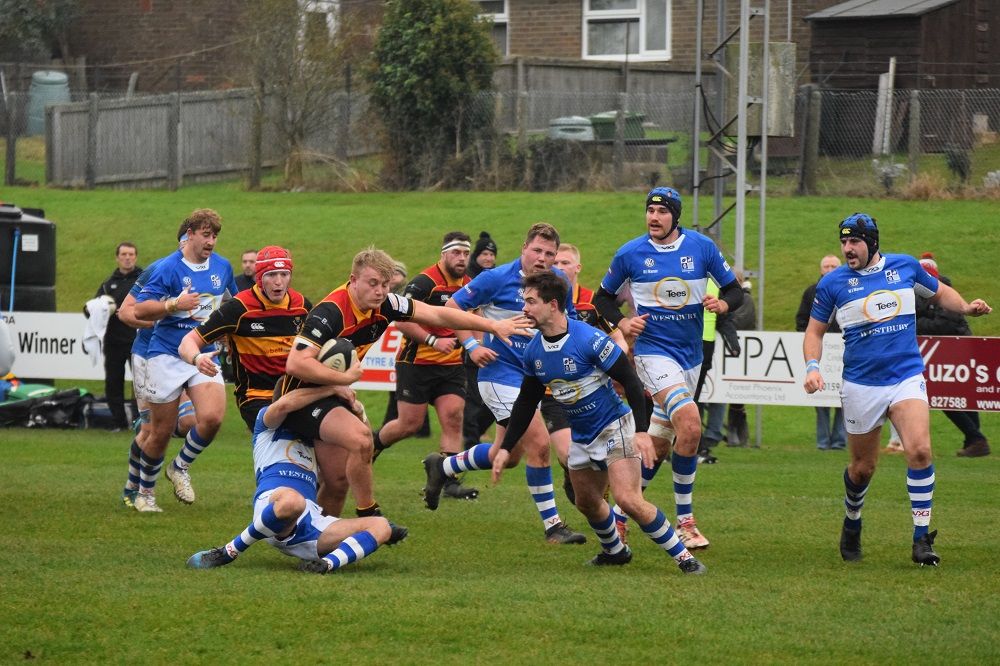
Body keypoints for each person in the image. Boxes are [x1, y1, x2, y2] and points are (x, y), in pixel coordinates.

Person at [278, 246, 531, 528]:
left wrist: (491, 327)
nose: (380, 291)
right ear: (353, 279)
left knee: (337, 481)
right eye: (373, 283)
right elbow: (296, 364)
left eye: (385, 285)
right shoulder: (330, 312)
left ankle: (314, 539)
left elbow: (438, 316)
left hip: (328, 393)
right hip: (297, 397)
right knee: (362, 439)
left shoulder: (386, 303)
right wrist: (345, 380)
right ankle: (369, 517)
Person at [484, 271, 706, 574]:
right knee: (585, 501)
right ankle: (615, 552)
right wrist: (505, 448)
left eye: (530, 302)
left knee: (628, 500)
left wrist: (641, 432)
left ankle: (685, 559)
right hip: (582, 435)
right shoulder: (535, 350)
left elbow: (630, 380)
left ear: (552, 305)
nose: (524, 308)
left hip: (615, 426)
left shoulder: (588, 339)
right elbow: (525, 402)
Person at [803, 212, 991, 566]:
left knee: (919, 451)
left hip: (906, 375)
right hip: (861, 383)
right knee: (863, 468)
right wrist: (813, 367)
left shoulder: (904, 267)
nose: (847, 249)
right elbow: (814, 332)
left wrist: (966, 306)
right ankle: (853, 521)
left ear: (872, 242)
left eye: (854, 241)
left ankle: (921, 539)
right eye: (843, 242)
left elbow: (940, 293)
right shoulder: (833, 284)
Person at [592, 187, 743, 551]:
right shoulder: (630, 253)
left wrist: (723, 305)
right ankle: (686, 522)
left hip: (691, 356)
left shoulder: (701, 248)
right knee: (690, 424)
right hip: (653, 354)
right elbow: (601, 299)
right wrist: (622, 324)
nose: (653, 217)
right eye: (649, 211)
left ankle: (619, 518)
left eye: (661, 212)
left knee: (657, 447)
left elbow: (735, 291)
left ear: (675, 216)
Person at [424, 223, 587, 546]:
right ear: (524, 247)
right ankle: (553, 527)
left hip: (536, 380)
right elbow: (451, 309)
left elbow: (570, 325)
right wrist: (472, 346)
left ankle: (442, 466)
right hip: (500, 377)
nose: (542, 259)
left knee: (507, 455)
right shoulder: (496, 278)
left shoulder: (557, 284)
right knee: (539, 444)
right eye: (537, 251)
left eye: (550, 254)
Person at [186, 384, 394, 574]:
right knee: (293, 501)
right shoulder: (267, 423)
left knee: (382, 526)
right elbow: (285, 404)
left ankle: (325, 564)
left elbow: (363, 445)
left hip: (311, 523)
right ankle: (228, 551)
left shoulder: (317, 437)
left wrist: (358, 412)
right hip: (274, 505)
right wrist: (331, 389)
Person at [131, 209, 237, 512]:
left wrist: (230, 330)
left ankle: (179, 467)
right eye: (206, 234)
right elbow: (140, 311)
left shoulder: (223, 267)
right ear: (189, 234)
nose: (211, 241)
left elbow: (234, 302)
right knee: (160, 432)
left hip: (201, 353)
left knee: (213, 418)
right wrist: (173, 303)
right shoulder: (167, 268)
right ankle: (145, 493)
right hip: (165, 353)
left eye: (215, 235)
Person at [373, 232, 479, 501]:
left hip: (452, 365)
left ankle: (448, 481)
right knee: (409, 424)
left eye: (466, 253)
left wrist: (474, 347)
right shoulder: (424, 283)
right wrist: (433, 340)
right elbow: (401, 320)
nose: (462, 258)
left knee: (454, 417)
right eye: (456, 253)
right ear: (444, 254)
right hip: (416, 363)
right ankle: (372, 446)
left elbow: (475, 318)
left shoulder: (469, 284)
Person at [177, 246, 311, 431]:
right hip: (256, 397)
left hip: (294, 394)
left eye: (284, 274)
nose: (278, 282)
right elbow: (188, 342)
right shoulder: (239, 308)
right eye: (271, 275)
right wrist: (197, 358)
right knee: (290, 433)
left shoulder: (302, 306)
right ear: (260, 277)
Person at [117, 224, 199, 510]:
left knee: (192, 422)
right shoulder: (159, 269)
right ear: (181, 243)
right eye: (186, 241)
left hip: (186, 357)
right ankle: (134, 486)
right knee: (152, 430)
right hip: (151, 356)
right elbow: (125, 312)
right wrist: (160, 317)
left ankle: (177, 469)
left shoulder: (209, 271)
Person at [915, 253, 990, 458]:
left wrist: (915, 325)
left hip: (958, 350)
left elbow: (943, 324)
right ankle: (974, 440)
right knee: (960, 397)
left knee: (946, 397)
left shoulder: (946, 293)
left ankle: (976, 438)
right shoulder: (919, 295)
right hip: (947, 351)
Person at [796, 255, 847, 451]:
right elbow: (802, 320)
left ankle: (839, 441)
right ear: (821, 270)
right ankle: (823, 441)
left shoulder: (849, 289)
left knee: (843, 398)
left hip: (844, 350)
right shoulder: (812, 292)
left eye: (834, 266)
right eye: (827, 266)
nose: (830, 269)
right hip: (820, 351)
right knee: (821, 397)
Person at [90, 242, 143, 430]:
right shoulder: (107, 284)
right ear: (117, 257)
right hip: (113, 342)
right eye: (123, 254)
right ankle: (118, 422)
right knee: (113, 383)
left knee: (140, 385)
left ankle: (140, 421)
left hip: (138, 341)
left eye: (131, 254)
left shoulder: (143, 280)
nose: (127, 257)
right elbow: (92, 309)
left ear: (136, 257)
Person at [462, 231, 499, 449]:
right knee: (474, 397)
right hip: (472, 343)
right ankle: (470, 441)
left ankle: (475, 433)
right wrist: (473, 343)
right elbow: (465, 312)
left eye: (491, 254)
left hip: (491, 343)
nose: (488, 258)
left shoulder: (496, 278)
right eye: (484, 253)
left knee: (491, 398)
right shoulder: (471, 280)